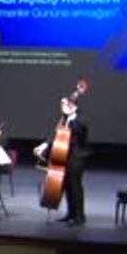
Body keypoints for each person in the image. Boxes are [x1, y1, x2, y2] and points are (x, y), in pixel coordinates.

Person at [34, 96, 89, 225]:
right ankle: (71, 214)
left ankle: (80, 217)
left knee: (75, 187)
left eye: (64, 104)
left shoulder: (80, 118)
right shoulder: (64, 119)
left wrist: (69, 116)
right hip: (64, 156)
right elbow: (56, 134)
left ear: (72, 105)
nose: (62, 107)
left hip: (76, 158)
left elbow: (79, 131)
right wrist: (44, 145)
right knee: (67, 187)